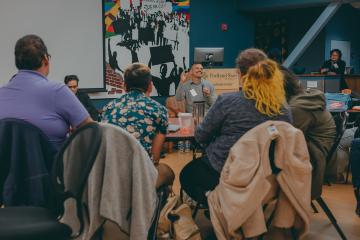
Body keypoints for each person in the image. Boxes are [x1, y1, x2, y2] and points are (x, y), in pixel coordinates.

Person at [180, 49, 292, 205]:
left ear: (239, 74)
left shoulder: (227, 101)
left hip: (223, 172)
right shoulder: (283, 109)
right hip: (265, 178)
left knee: (187, 175)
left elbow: (201, 135)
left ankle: (221, 205)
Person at [0, 34, 92, 150]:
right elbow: (92, 130)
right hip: (51, 167)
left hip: (7, 168)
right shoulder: (58, 90)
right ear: (45, 59)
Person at [101, 63, 174, 188]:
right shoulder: (159, 110)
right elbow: (155, 158)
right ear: (150, 86)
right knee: (168, 173)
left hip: (110, 175)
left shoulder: (109, 108)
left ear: (124, 86)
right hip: (140, 175)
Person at [281, 66, 336, 198]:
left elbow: (287, 138)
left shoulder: (298, 107)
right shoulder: (303, 97)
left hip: (313, 157)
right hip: (314, 150)